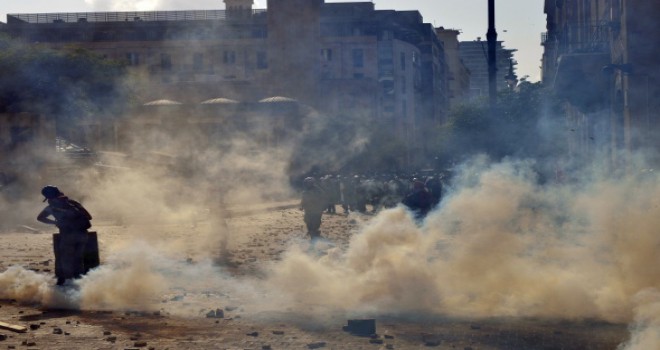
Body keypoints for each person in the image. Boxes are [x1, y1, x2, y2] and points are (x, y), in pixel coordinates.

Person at [37, 185, 92, 286]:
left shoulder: (52, 207)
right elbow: (89, 217)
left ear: (48, 197)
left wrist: (55, 222)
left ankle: (68, 284)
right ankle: (80, 283)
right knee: (79, 259)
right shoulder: (73, 203)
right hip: (83, 234)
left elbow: (40, 218)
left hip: (67, 235)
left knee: (66, 260)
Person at [300, 177, 327, 243]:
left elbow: (323, 198)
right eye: (307, 183)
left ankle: (315, 233)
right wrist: (302, 206)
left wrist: (323, 206)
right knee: (307, 221)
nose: (308, 184)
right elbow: (303, 200)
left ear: (312, 183)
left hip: (316, 210)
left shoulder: (318, 191)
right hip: (308, 210)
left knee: (316, 223)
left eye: (309, 183)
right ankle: (312, 232)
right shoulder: (305, 191)